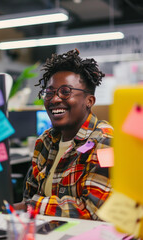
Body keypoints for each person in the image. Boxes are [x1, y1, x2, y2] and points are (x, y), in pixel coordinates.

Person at [14, 49, 113, 220]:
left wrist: (29, 207)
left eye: (65, 91)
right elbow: (29, 195)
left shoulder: (105, 142)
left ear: (89, 101)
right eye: (49, 92)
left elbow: (93, 209)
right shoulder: (44, 141)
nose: (54, 99)